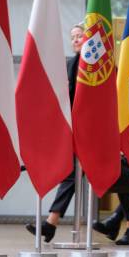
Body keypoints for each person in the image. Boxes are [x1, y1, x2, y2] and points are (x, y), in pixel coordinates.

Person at [25, 24, 84, 242]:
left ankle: (127, 220)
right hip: (74, 129)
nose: (76, 40)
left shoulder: (99, 67)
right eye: (73, 37)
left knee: (114, 176)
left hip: (93, 130)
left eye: (80, 36)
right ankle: (126, 222)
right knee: (72, 174)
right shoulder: (69, 65)